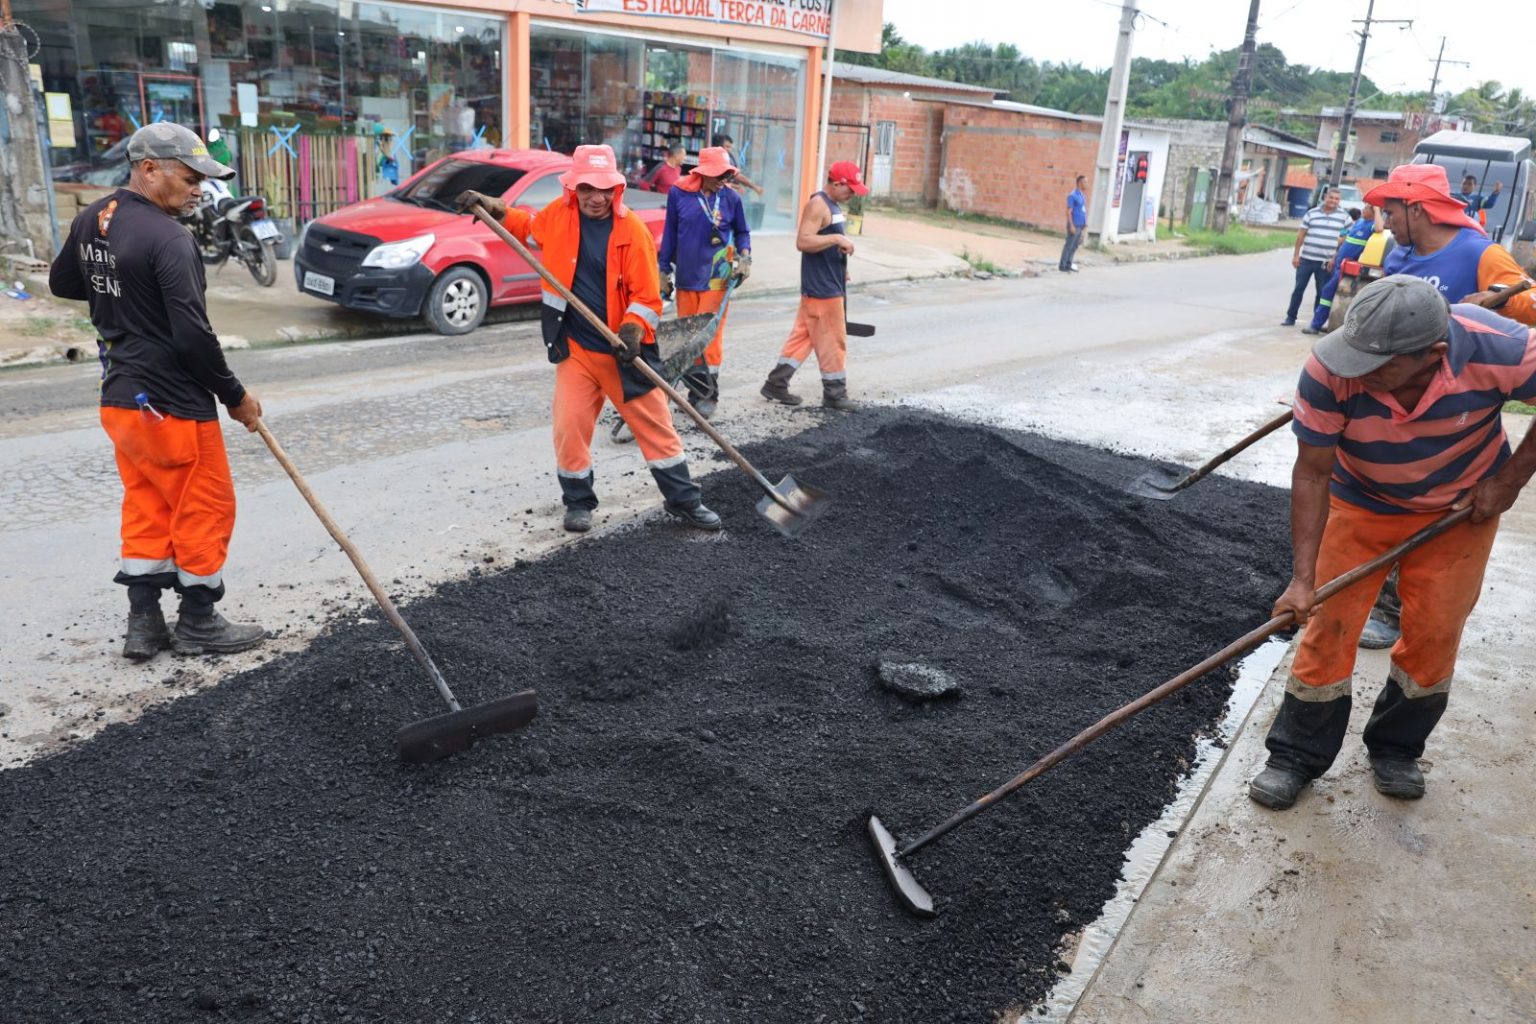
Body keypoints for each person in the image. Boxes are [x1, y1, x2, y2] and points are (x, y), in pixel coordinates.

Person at [1249, 276, 1536, 811]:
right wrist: (1302, 580)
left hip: (1459, 511)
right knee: (1329, 624)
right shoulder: (1330, 369)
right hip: (1361, 500)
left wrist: (1509, 480)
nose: (1357, 372)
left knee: (1435, 630)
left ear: (1435, 354)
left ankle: (1396, 748)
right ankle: (1295, 755)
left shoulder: (1501, 348)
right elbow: (1311, 474)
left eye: (1379, 366)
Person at [47, 123, 267, 659]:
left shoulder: (92, 218)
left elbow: (65, 282)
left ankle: (143, 623)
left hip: (121, 399)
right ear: (149, 169)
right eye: (190, 179)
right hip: (174, 404)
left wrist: (121, 299)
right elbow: (193, 336)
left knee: (146, 503)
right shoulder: (170, 238)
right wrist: (235, 397)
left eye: (202, 181)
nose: (198, 190)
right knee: (204, 506)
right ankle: (198, 621)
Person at [454, 144, 720, 534]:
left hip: (623, 352)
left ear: (617, 189)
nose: (596, 197)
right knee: (570, 427)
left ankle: (685, 501)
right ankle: (578, 502)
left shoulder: (632, 232)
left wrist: (632, 329)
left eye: (604, 189)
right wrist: (496, 209)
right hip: (575, 349)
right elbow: (530, 229)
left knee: (656, 429)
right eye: (587, 189)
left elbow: (648, 297)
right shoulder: (560, 216)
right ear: (573, 188)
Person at [1349, 163, 1536, 649]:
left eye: (1392, 211)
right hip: (1392, 417)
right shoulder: (1399, 253)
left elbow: (1530, 302)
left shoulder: (1480, 253)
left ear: (1417, 208)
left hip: (1454, 422)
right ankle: (1376, 602)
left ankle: (1400, 615)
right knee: (1379, 513)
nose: (1387, 222)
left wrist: (1497, 301)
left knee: (1434, 530)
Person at [759, 161, 866, 412]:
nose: (853, 194)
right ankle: (835, 394)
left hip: (825, 281)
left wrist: (840, 266)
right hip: (823, 288)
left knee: (804, 337)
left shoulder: (832, 205)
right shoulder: (818, 204)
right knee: (833, 341)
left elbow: (822, 241)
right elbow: (803, 241)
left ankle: (776, 383)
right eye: (850, 188)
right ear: (837, 183)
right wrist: (837, 238)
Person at [658, 146, 751, 418]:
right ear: (702, 173)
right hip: (687, 275)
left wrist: (745, 256)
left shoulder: (731, 198)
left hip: (718, 277)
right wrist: (663, 270)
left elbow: (742, 232)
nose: (723, 179)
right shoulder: (679, 193)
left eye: (726, 174)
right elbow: (670, 232)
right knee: (689, 336)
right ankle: (695, 391)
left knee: (709, 336)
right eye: (718, 174)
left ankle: (709, 395)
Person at [1302, 206, 1375, 335]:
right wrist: (1334, 258)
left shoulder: (1373, 226)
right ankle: (1328, 323)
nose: (1363, 210)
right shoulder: (1359, 222)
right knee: (1329, 293)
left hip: (1348, 265)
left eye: (1367, 208)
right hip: (1339, 263)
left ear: (1374, 212)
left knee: (1327, 291)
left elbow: (1379, 228)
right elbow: (1345, 242)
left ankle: (1316, 325)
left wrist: (1378, 209)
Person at [1284, 188, 1350, 326]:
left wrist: (1335, 257)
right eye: (1331, 197)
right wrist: (1296, 255)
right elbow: (1301, 234)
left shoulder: (1344, 217)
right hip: (1306, 259)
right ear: (1325, 197)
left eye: (1336, 199)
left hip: (1327, 263)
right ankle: (1290, 317)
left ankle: (1316, 322)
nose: (1333, 201)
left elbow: (1347, 239)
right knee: (1298, 289)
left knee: (1321, 292)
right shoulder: (1311, 213)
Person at [1059, 174, 1087, 273]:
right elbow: (1068, 212)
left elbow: (1083, 210)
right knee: (1069, 245)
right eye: (1085, 182)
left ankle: (1069, 264)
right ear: (1079, 183)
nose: (1086, 184)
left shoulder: (1082, 196)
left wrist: (1085, 223)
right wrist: (1071, 225)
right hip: (1074, 224)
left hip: (1080, 225)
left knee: (1075, 246)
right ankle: (1063, 265)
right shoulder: (1072, 196)